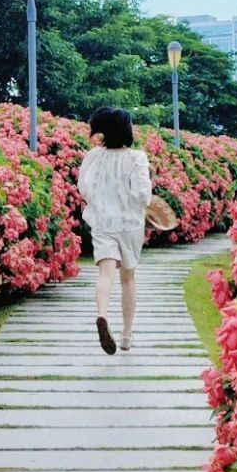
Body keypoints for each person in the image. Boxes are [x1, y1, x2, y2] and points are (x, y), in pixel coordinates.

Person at [77, 105, 152, 354]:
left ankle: (102, 315)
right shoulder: (136, 158)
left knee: (105, 275)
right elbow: (143, 194)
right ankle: (127, 335)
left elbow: (83, 187)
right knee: (128, 278)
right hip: (130, 225)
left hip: (102, 223)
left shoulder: (93, 156)